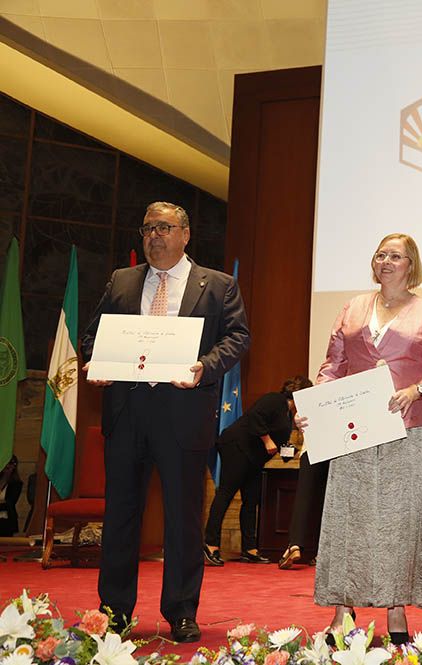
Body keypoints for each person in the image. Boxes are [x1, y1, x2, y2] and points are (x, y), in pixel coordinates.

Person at [81, 201, 250, 643]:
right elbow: (92, 335)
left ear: (185, 234)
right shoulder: (122, 280)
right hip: (127, 413)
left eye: (164, 227)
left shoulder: (217, 285)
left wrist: (204, 367)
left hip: (183, 413)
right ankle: (114, 613)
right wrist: (96, 360)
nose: (154, 235)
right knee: (120, 518)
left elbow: (238, 338)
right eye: (148, 228)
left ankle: (180, 610)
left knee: (182, 520)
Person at [309, 233, 422, 645]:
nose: (386, 261)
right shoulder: (352, 307)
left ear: (412, 265)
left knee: (400, 522)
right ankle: (342, 610)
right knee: (346, 518)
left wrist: (419, 391)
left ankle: (396, 609)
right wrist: (319, 405)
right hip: (354, 430)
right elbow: (332, 364)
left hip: (406, 427)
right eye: (380, 254)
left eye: (396, 255)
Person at [203, 376, 312, 566]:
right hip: (237, 447)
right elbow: (255, 417)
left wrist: (291, 452)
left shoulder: (288, 415)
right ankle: (210, 544)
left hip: (254, 458)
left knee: (251, 499)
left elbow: (279, 444)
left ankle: (249, 549)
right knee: (226, 493)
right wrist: (267, 440)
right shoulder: (275, 400)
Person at [276, 449, 328, 570]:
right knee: (330, 500)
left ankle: (295, 545)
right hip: (340, 449)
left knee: (304, 496)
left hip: (313, 447)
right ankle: (323, 553)